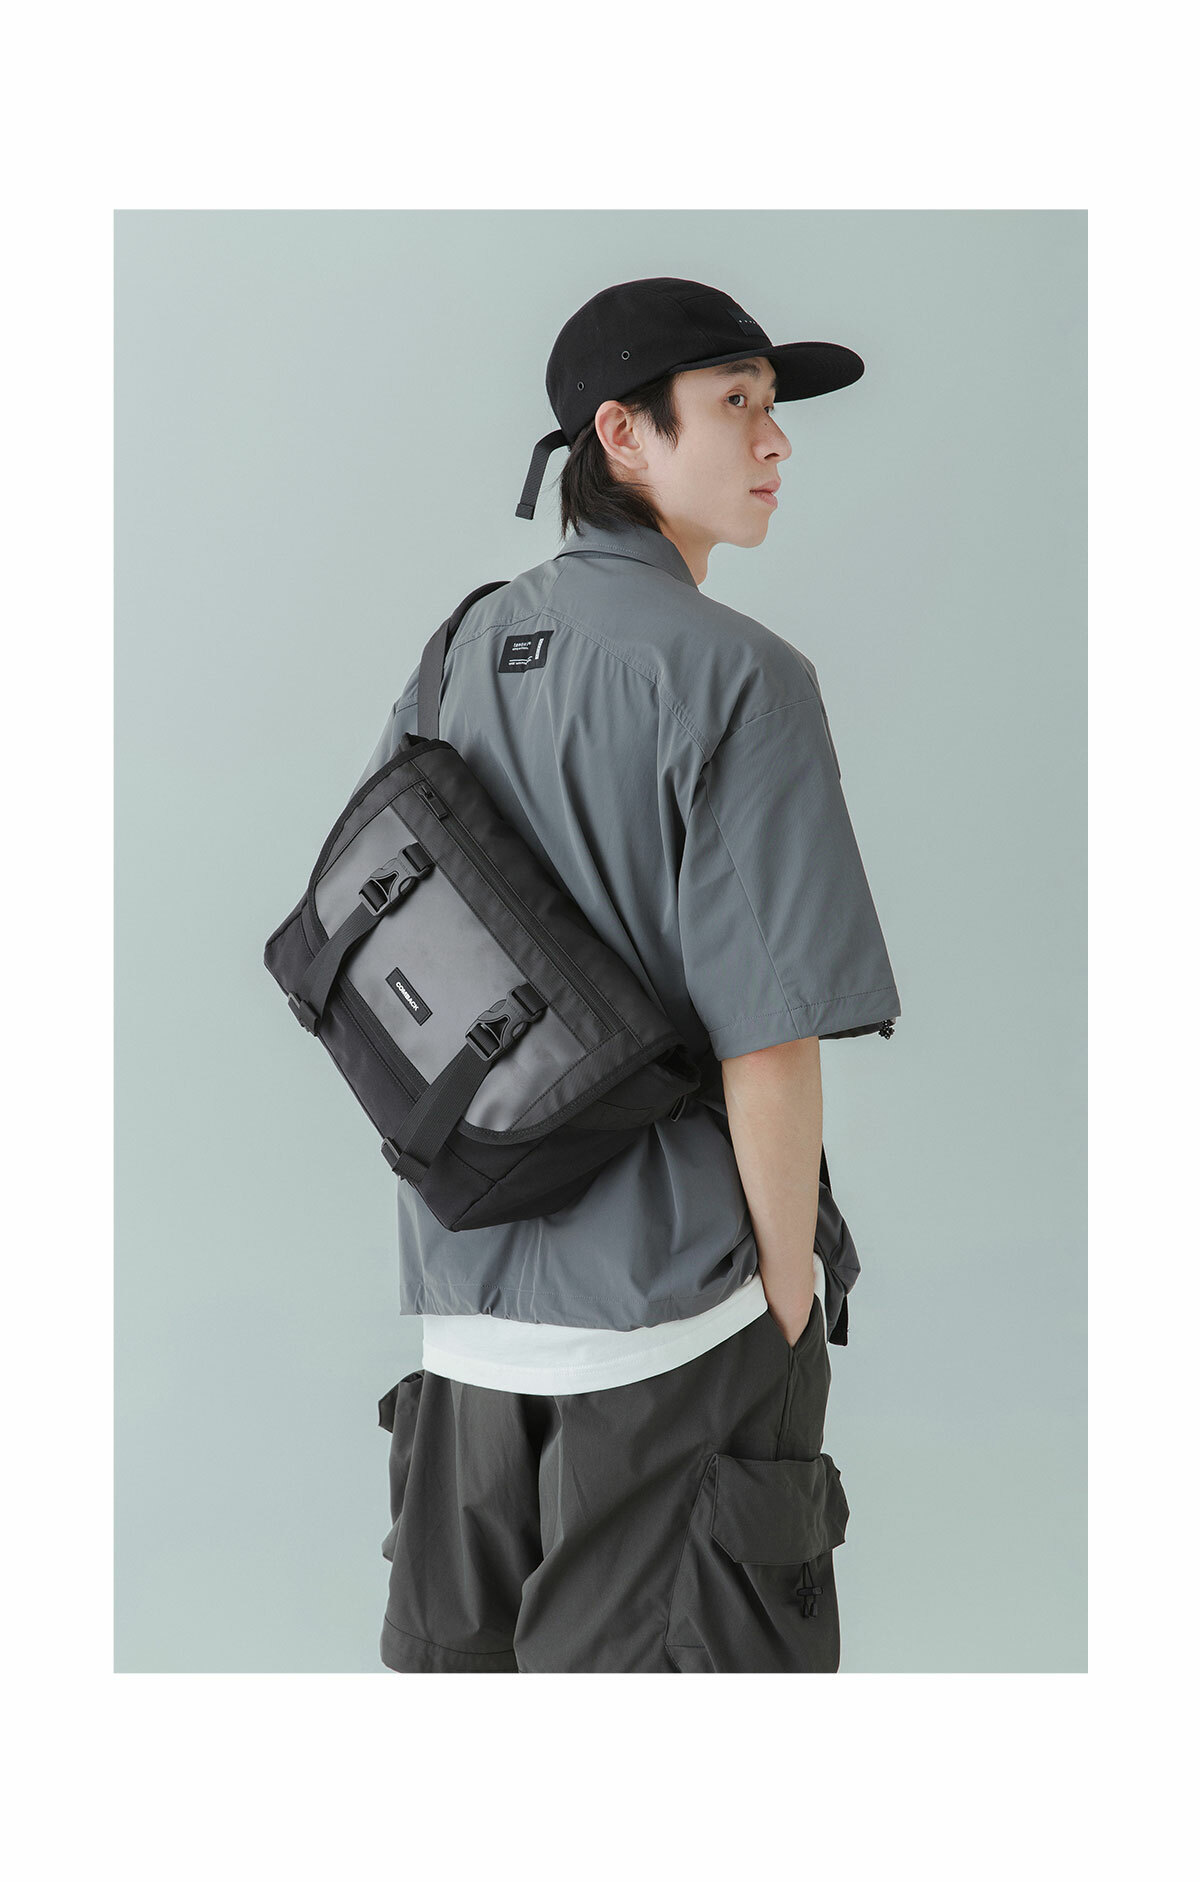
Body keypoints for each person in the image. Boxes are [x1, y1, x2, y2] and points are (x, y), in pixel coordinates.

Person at [359, 277, 901, 1673]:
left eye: (771, 408)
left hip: (462, 1321)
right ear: (622, 433)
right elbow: (771, 1036)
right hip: (671, 1324)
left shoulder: (452, 657)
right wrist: (787, 1305)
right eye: (737, 403)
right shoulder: (741, 677)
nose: (776, 440)